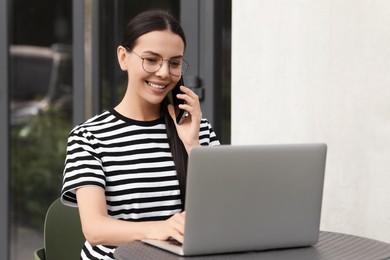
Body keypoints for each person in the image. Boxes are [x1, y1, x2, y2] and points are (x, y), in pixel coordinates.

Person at [61, 10, 220, 260]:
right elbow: (95, 229)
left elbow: (222, 211)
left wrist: (193, 146)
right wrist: (161, 228)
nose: (164, 73)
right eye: (151, 59)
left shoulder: (197, 130)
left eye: (175, 62)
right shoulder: (88, 137)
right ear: (123, 57)